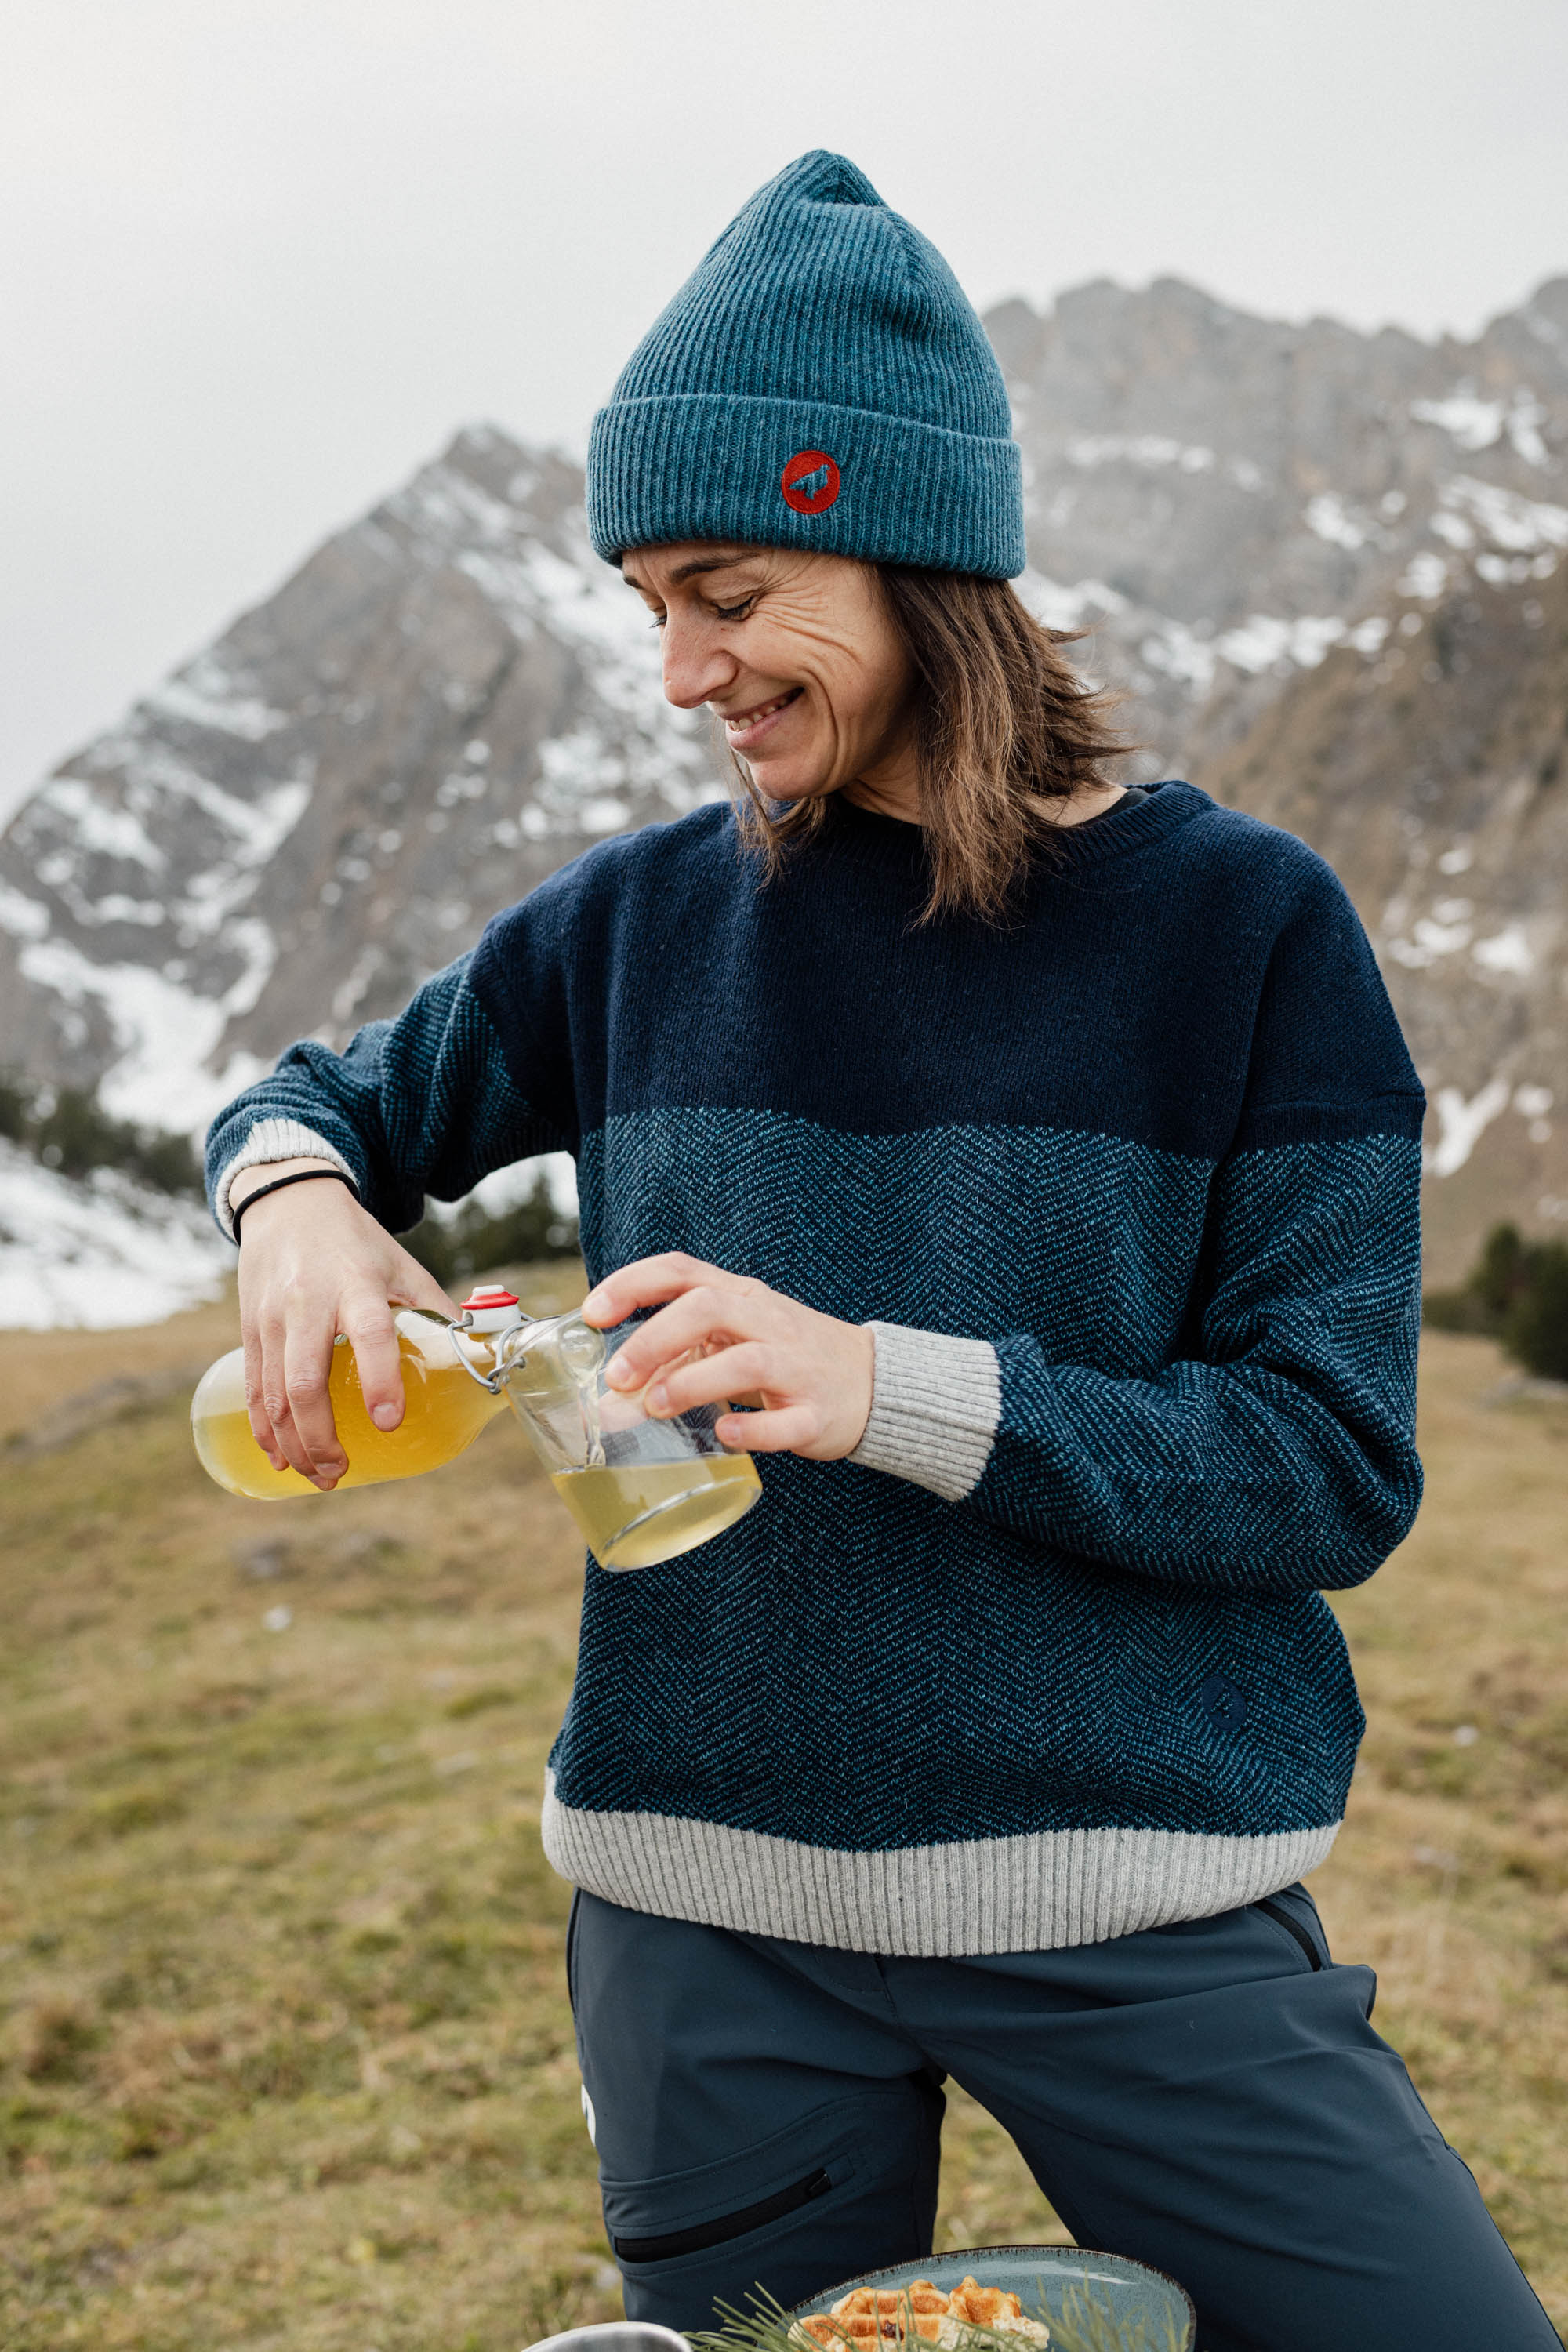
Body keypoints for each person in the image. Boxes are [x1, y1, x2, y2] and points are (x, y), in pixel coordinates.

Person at [205, 153, 1557, 2350]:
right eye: (647, 605)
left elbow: (1331, 1464)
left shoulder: (1247, 929)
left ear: (916, 551)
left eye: (727, 593)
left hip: (1142, 1906)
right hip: (701, 1915)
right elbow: (314, 1097)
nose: (680, 672)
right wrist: (293, 1200)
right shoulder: (633, 926)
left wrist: (883, 1387)